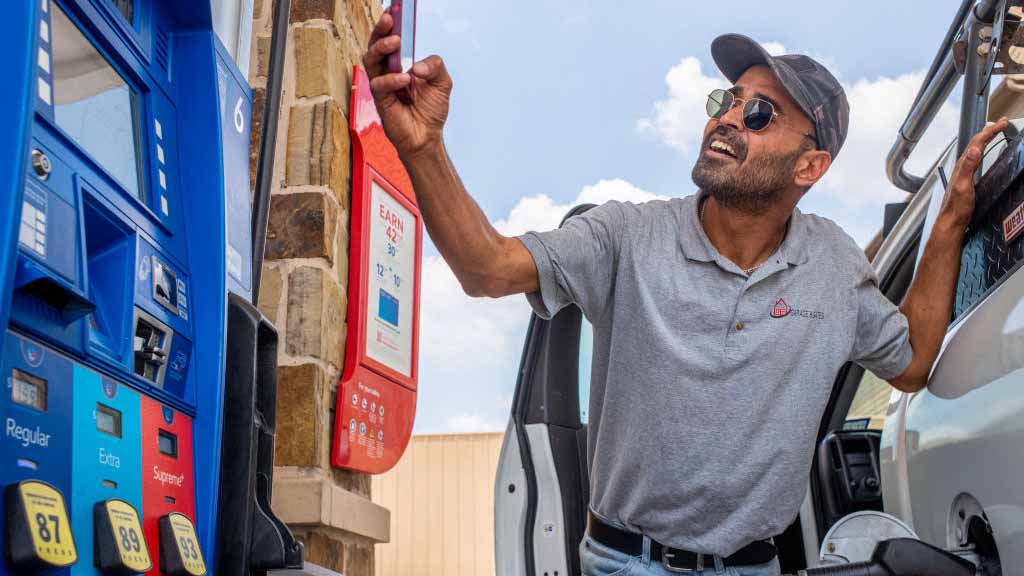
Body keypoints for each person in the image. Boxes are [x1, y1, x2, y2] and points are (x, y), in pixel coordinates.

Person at [363, 14, 1007, 576]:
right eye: (727, 100)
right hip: (623, 564)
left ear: (809, 167)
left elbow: (916, 361)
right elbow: (486, 267)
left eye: (759, 113)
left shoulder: (834, 268)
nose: (728, 118)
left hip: (756, 567)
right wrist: (422, 145)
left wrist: (949, 220)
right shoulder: (626, 236)